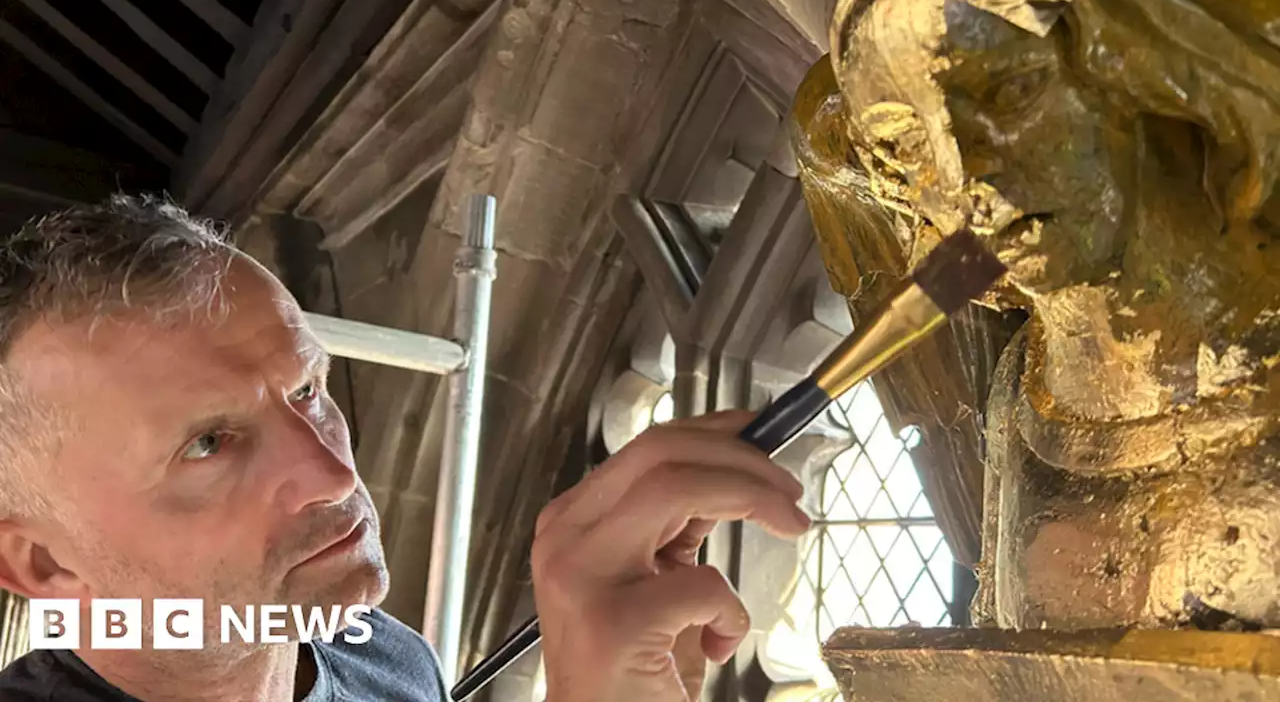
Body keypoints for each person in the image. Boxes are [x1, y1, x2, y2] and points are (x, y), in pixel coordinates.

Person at [0, 195, 810, 701]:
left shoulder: (385, 658)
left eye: (309, 392)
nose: (331, 471)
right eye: (208, 444)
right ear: (42, 565)